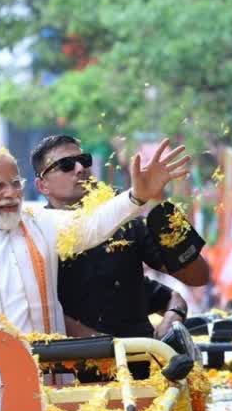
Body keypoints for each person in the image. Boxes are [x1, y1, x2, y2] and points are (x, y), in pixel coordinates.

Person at [0, 140, 191, 342]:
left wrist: (136, 196)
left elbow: (92, 225)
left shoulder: (42, 223)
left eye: (15, 184)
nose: (10, 194)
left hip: (48, 380)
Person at [30, 136, 208, 366]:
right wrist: (108, 348)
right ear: (42, 185)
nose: (80, 169)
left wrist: (172, 318)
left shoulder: (126, 221)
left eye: (84, 160)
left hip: (144, 368)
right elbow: (46, 311)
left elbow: (198, 278)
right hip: (76, 374)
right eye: (65, 165)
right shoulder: (35, 235)